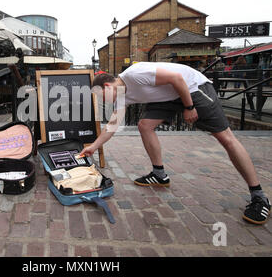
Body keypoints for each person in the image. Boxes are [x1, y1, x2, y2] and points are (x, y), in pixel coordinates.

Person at [80, 61, 270, 225]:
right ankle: (159, 174)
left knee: (225, 138)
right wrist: (93, 147)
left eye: (101, 96)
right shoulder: (122, 96)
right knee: (145, 125)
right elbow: (112, 126)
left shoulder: (134, 75)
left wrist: (189, 107)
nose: (102, 101)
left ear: (106, 86)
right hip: (169, 96)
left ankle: (259, 196)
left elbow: (177, 79)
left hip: (192, 88)